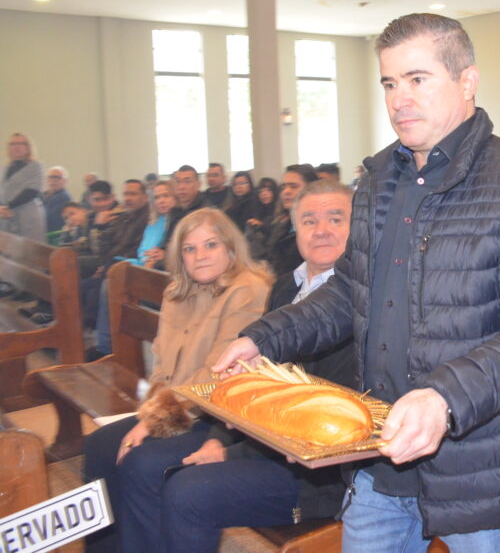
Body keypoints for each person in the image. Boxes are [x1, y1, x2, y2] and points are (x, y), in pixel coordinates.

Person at [213, 13, 500, 552]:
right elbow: (349, 291)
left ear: (467, 81)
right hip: (379, 450)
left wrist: (443, 398)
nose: (399, 99)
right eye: (389, 83)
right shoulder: (379, 180)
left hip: (477, 459)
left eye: (417, 79)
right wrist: (264, 338)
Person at [126, 180, 355, 553]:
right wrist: (220, 437)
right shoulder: (286, 288)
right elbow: (252, 382)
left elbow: (320, 412)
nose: (322, 230)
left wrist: (232, 453)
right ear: (294, 228)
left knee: (188, 493)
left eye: (336, 218)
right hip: (266, 442)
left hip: (319, 470)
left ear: (358, 225)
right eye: (309, 220)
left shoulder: (362, 301)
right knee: (157, 471)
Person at [83, 207, 272, 553]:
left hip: (223, 419)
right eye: (190, 248)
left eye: (210, 245)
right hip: (178, 409)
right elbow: (162, 364)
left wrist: (154, 421)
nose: (200, 256)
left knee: (142, 462)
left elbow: (218, 375)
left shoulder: (248, 290)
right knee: (99, 446)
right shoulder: (177, 293)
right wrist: (149, 415)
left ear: (231, 248)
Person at [88, 180, 176, 359]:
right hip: (144, 267)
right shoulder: (154, 222)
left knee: (109, 283)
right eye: (157, 197)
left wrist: (158, 259)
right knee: (109, 280)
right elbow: (143, 251)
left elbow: (169, 253)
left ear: (174, 197)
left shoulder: (178, 219)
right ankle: (107, 346)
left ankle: (107, 347)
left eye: (166, 196)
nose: (162, 201)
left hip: (162, 276)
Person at [247, 165, 318, 278]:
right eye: (283, 187)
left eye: (293, 186)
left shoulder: (318, 229)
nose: (286, 191)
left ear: (311, 189)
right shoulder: (282, 225)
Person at [0, 133, 46, 242]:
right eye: (13, 144)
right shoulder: (4, 168)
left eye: (21, 143)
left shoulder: (36, 166)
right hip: (6, 217)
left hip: (28, 215)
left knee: (30, 253)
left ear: (28, 147)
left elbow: (32, 190)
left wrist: (9, 206)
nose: (17, 147)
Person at [43, 165, 72, 235]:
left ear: (65, 181)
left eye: (58, 177)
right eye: (51, 177)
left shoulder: (64, 197)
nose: (54, 180)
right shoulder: (44, 195)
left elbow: (49, 218)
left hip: (55, 237)